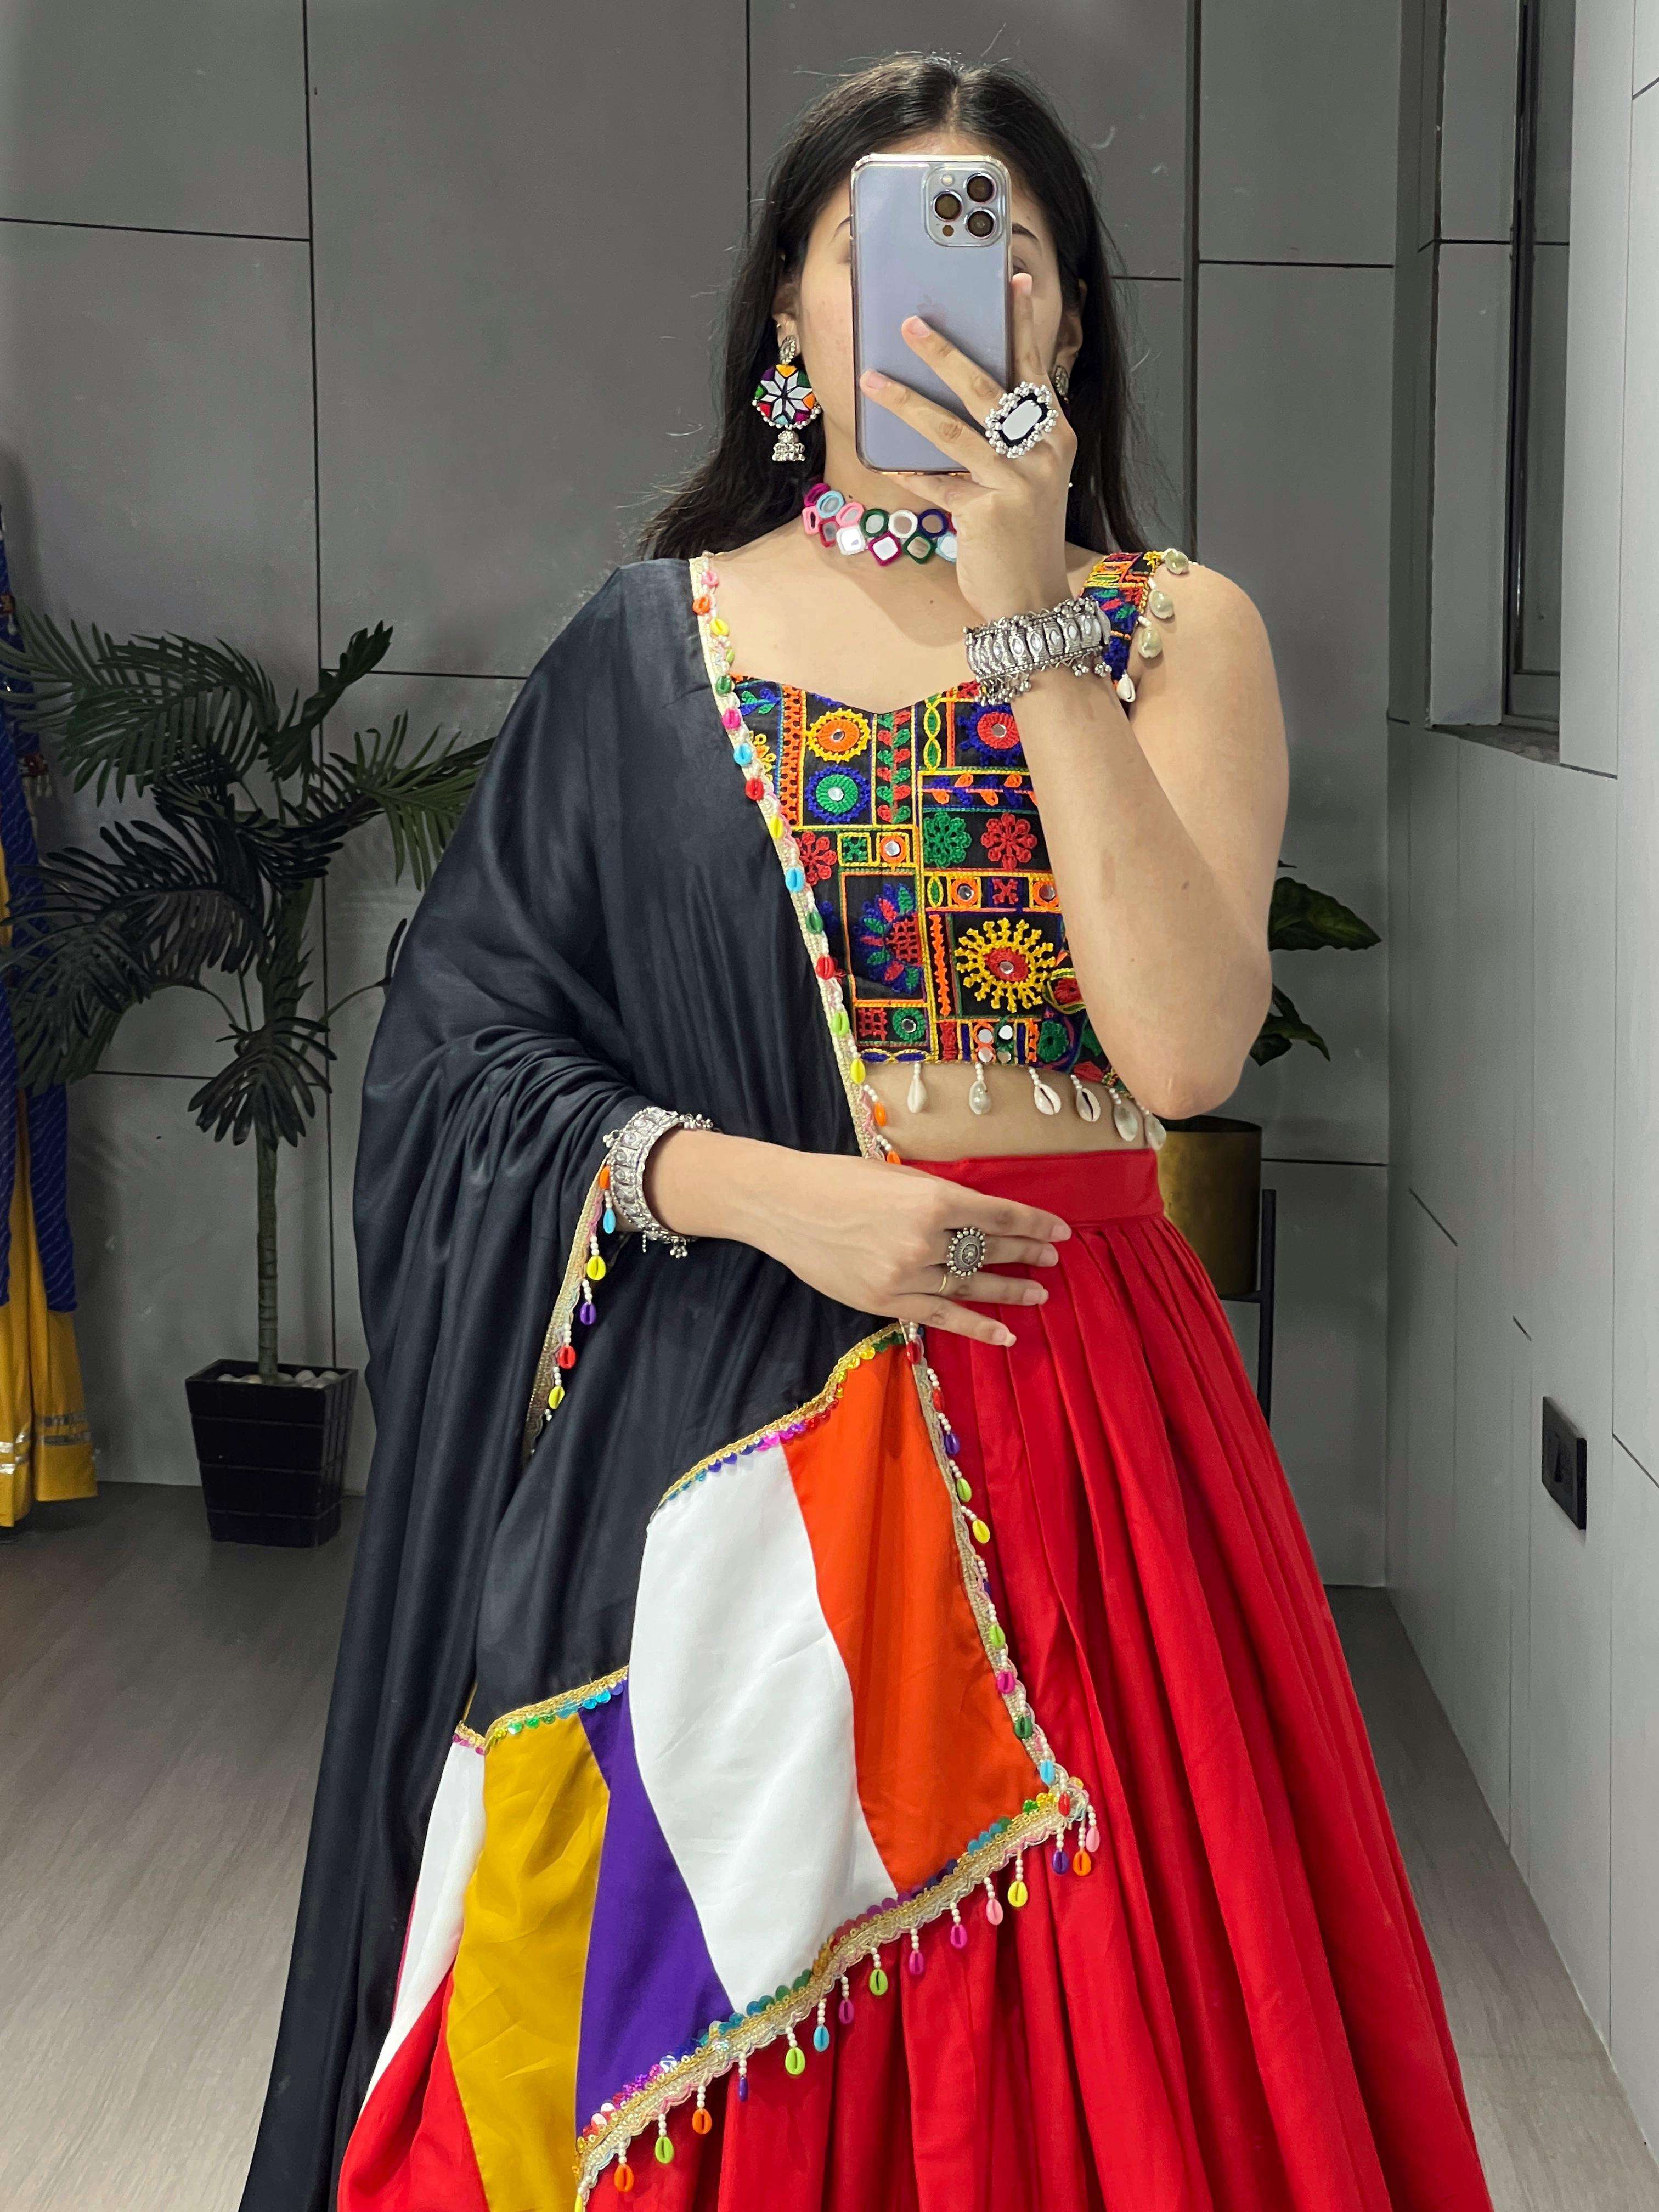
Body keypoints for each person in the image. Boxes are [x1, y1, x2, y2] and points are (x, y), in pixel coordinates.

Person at [240, 54, 1493, 2212]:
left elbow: (1187, 1051)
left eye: (1006, 248)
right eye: (874, 246)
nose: (942, 291)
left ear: (1067, 321)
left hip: (1087, 1435)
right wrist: (758, 1191)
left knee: (1136, 2047)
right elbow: (457, 1061)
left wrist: (1032, 623)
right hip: (725, 1431)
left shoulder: (1175, 630)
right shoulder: (650, 648)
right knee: (660, 2036)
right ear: (786, 322)